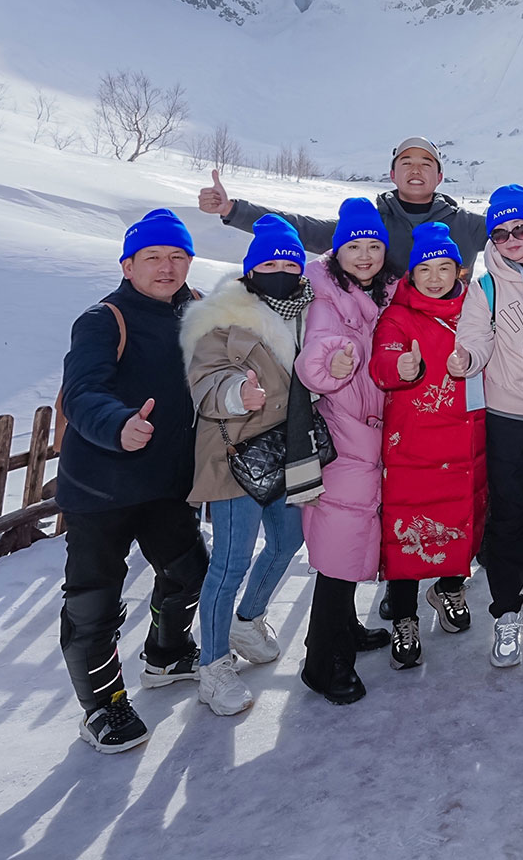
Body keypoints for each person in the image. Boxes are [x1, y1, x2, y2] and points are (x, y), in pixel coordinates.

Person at [57, 209, 208, 753]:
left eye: (177, 257)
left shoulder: (197, 310)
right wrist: (118, 423)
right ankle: (103, 706)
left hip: (166, 482)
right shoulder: (104, 319)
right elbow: (81, 392)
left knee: (189, 571)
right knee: (95, 600)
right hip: (102, 488)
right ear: (128, 265)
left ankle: (167, 655)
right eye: (153, 257)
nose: (166, 267)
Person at [181, 214, 315, 717]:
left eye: (290, 264)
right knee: (231, 561)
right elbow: (205, 379)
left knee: (288, 541)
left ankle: (247, 620)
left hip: (287, 451)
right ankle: (213, 666)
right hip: (235, 453)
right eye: (269, 265)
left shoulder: (309, 311)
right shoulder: (223, 317)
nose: (280, 272)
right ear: (251, 269)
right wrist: (238, 393)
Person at [196, 137, 523, 276]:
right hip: (381, 338)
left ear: (440, 177)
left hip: (455, 338)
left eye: (426, 163)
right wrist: (234, 209)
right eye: (407, 162)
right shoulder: (370, 223)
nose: (416, 169)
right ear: (392, 174)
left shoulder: (466, 225)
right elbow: (304, 229)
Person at [455, 184, 523, 670]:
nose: (513, 240)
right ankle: (505, 610)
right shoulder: (485, 287)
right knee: (509, 514)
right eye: (501, 234)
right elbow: (475, 338)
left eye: (521, 229)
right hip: (508, 417)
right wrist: (465, 359)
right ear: (491, 240)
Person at [292, 198, 397, 705]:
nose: (365, 255)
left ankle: (346, 630)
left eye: (374, 245)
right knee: (338, 553)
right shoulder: (327, 297)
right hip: (344, 437)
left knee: (354, 541)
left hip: (371, 435)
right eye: (354, 246)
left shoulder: (383, 292)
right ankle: (322, 662)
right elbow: (316, 353)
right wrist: (332, 361)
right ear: (337, 251)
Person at [370, 221, 488, 669]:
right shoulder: (398, 316)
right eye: (425, 269)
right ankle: (404, 615)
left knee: (461, 520)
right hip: (414, 449)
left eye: (444, 268)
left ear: (459, 271)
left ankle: (450, 588)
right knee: (408, 532)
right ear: (411, 274)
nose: (435, 278)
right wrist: (400, 366)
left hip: (467, 442)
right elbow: (383, 361)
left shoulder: (475, 309)